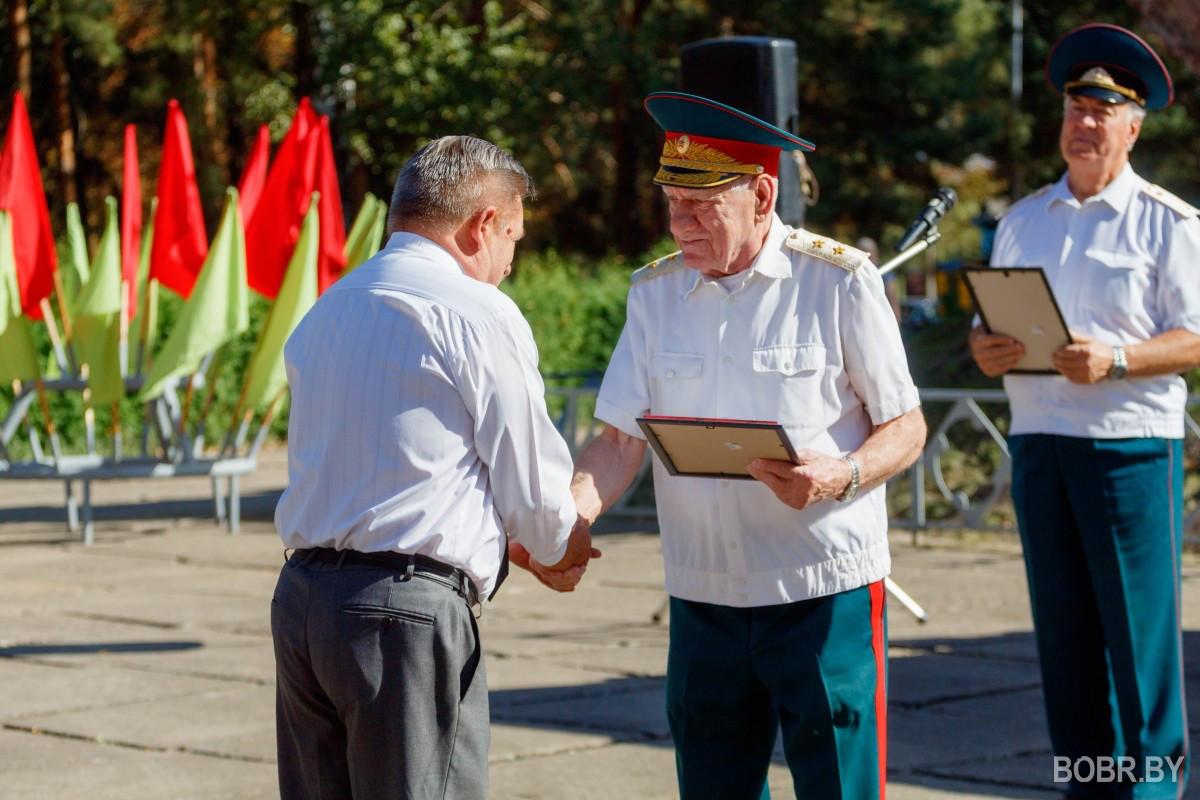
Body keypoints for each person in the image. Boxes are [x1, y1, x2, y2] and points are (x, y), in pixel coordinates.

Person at [548, 92, 927, 798]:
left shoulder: (838, 281)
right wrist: (571, 516)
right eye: (671, 205)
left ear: (762, 194)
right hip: (704, 597)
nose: (681, 226)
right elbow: (618, 440)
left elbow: (906, 426)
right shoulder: (654, 294)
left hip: (823, 591)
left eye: (701, 209)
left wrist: (841, 473)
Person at [270, 135, 596, 800]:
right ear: (482, 226)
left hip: (305, 601)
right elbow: (535, 491)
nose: (509, 262)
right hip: (403, 614)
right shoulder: (475, 312)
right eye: (513, 237)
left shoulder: (329, 307)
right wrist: (566, 540)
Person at [968, 24, 1200, 799]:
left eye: (1103, 110)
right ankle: (1089, 791)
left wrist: (1121, 358)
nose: (1084, 123)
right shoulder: (1023, 220)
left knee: (1139, 647)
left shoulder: (1169, 222)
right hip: (1041, 445)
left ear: (1134, 126)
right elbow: (988, 322)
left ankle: (1156, 793)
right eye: (1075, 107)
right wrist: (985, 348)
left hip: (1129, 448)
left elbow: (1198, 336)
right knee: (1065, 648)